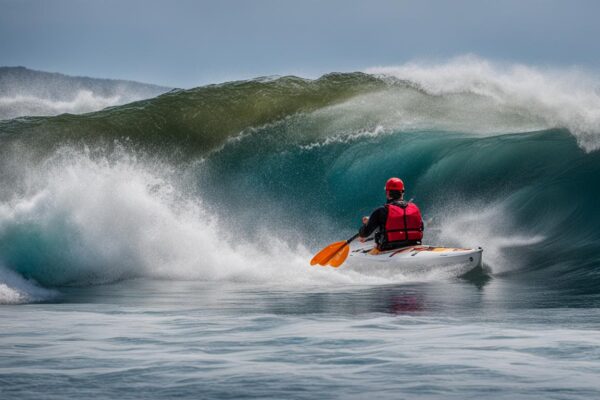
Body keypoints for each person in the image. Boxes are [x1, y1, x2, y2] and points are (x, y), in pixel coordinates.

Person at [358, 177, 424, 251]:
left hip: (389, 248)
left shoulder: (381, 210)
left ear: (387, 193)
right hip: (414, 245)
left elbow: (364, 234)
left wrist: (366, 223)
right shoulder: (414, 208)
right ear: (402, 192)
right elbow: (421, 228)